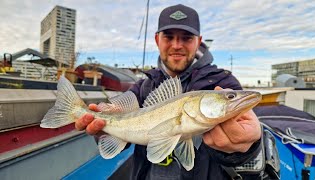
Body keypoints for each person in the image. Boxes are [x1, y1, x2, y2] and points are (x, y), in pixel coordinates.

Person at [75, 4, 262, 180]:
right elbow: (124, 139)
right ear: (157, 40)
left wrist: (248, 146)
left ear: (199, 42)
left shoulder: (223, 82)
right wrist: (102, 130)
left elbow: (248, 141)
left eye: (187, 38)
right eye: (169, 36)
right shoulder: (143, 86)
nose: (177, 45)